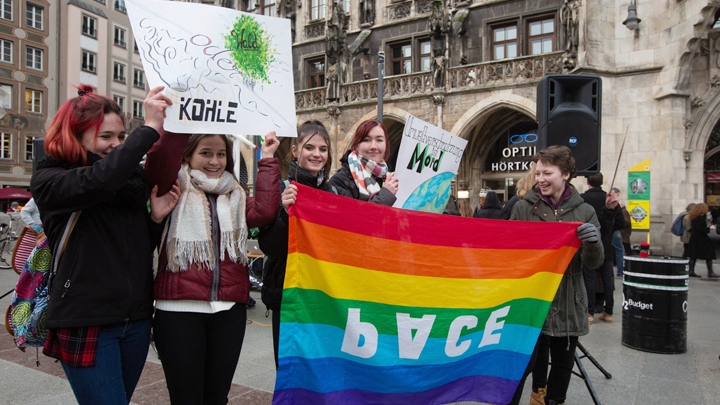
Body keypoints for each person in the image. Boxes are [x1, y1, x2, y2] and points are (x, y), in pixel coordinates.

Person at [29, 85, 179, 405]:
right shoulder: (52, 178)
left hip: (134, 320)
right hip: (86, 321)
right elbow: (100, 180)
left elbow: (138, 249)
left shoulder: (128, 185)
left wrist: (155, 221)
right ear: (75, 136)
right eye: (106, 136)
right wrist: (149, 128)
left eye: (122, 136)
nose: (117, 145)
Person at [144, 128, 280, 405]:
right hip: (178, 310)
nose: (214, 161)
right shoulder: (173, 185)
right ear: (188, 155)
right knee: (186, 399)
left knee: (217, 398)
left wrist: (267, 158)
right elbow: (158, 160)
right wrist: (173, 126)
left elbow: (266, 210)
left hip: (228, 310)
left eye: (220, 154)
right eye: (205, 153)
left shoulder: (236, 195)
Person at [510, 145, 604, 405]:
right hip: (531, 300)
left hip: (568, 299)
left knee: (562, 365)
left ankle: (554, 401)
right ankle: (533, 394)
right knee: (526, 363)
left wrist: (594, 242)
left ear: (566, 174)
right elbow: (510, 254)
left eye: (547, 173)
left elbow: (594, 262)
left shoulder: (585, 212)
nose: (540, 179)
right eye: (537, 173)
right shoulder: (523, 209)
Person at [258, 120, 349, 368]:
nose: (317, 154)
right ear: (296, 150)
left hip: (325, 296)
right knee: (293, 372)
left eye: (323, 149)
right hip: (290, 297)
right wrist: (286, 214)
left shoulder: (335, 194)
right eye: (310, 147)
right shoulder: (280, 188)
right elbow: (269, 246)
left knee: (323, 370)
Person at [580, 173, 624, 323]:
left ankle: (589, 312)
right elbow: (620, 222)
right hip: (606, 242)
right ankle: (609, 311)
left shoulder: (582, 198)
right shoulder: (610, 199)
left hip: (588, 243)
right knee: (607, 278)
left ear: (587, 181)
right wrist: (609, 231)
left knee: (589, 277)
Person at [329, 119, 398, 206]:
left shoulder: (389, 179)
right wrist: (386, 195)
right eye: (367, 140)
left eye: (379, 140)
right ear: (356, 146)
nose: (373, 146)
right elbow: (351, 218)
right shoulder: (340, 181)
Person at [686, 203, 719, 278]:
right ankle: (710, 272)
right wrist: (709, 228)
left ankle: (691, 271)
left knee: (693, 254)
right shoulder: (700, 218)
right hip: (700, 238)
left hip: (695, 238)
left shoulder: (694, 217)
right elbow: (699, 229)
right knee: (709, 253)